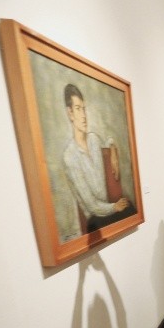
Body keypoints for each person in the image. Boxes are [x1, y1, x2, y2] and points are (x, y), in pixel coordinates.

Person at [62, 83, 136, 235]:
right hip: (95, 219)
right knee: (128, 212)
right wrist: (114, 207)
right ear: (70, 113)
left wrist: (113, 150)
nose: (84, 115)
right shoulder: (70, 156)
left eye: (84, 109)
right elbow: (92, 206)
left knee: (132, 211)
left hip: (109, 209)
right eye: (78, 109)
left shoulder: (93, 140)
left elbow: (108, 141)